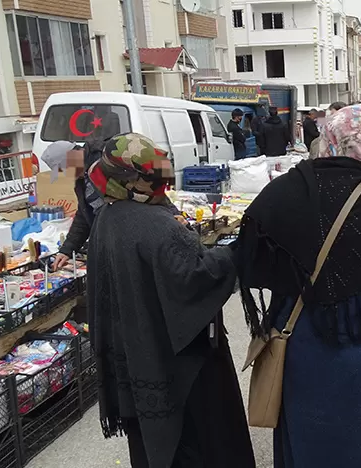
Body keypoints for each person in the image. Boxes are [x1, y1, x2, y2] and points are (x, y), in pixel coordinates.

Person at [234, 105, 361, 468]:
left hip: (301, 342)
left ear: (325, 141)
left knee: (312, 441)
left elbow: (251, 266)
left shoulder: (281, 193)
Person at [87, 133, 255, 468]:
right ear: (134, 178)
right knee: (197, 442)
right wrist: (235, 253)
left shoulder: (108, 217)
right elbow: (195, 276)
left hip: (139, 353)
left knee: (153, 445)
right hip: (179, 363)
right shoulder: (153, 224)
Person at [48, 139, 106, 271]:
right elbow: (83, 216)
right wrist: (67, 250)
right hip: (109, 239)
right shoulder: (82, 180)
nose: (67, 175)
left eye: (64, 169)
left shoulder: (103, 165)